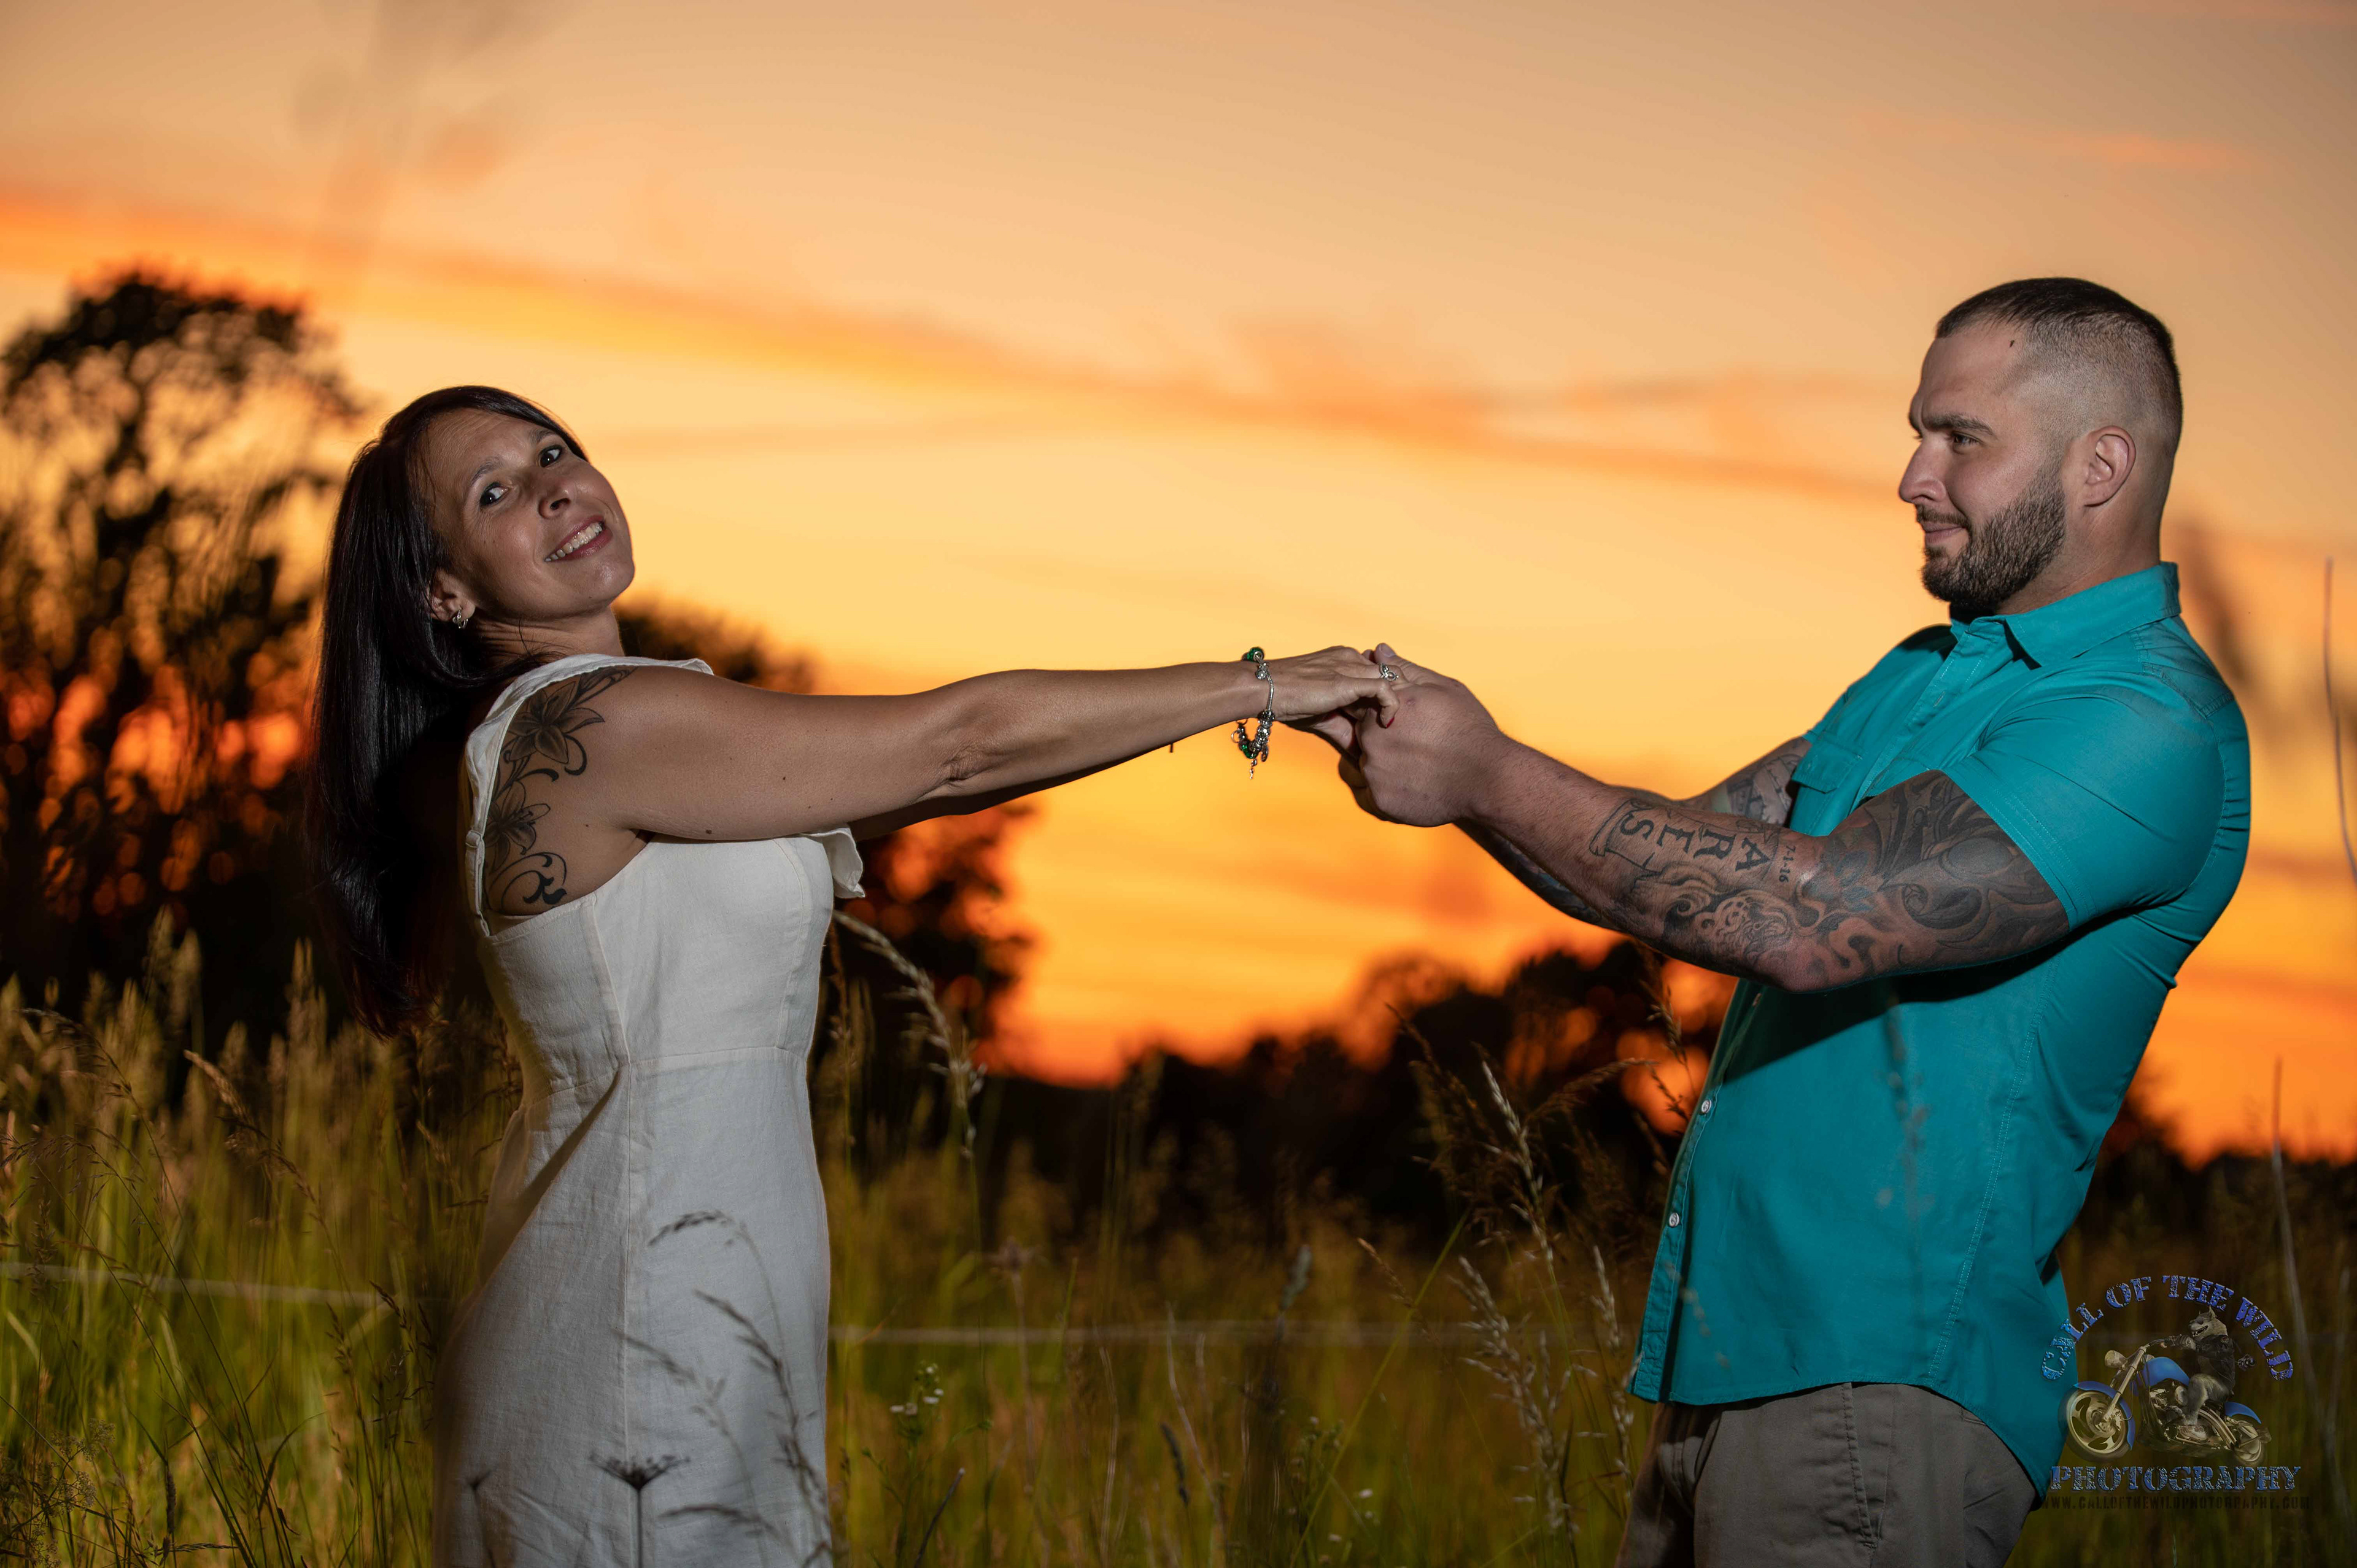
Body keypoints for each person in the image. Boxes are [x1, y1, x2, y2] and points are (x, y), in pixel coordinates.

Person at [305, 385, 1398, 1566]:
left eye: (555, 451)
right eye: (496, 492)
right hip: (639, 1331)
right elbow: (955, 740)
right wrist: (1267, 684)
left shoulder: (605, 728)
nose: (557, 486)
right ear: (444, 589)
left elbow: (946, 777)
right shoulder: (596, 727)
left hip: (694, 1300)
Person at [1310, 279, 2250, 1567]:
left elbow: (1821, 917)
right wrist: (1435, 757)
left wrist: (1488, 775)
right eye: (1917, 431)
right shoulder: (1920, 673)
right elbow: (1678, 867)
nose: (1913, 475)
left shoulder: (2144, 723)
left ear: (2103, 465)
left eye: (1960, 438)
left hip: (1882, 1393)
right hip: (1729, 1366)